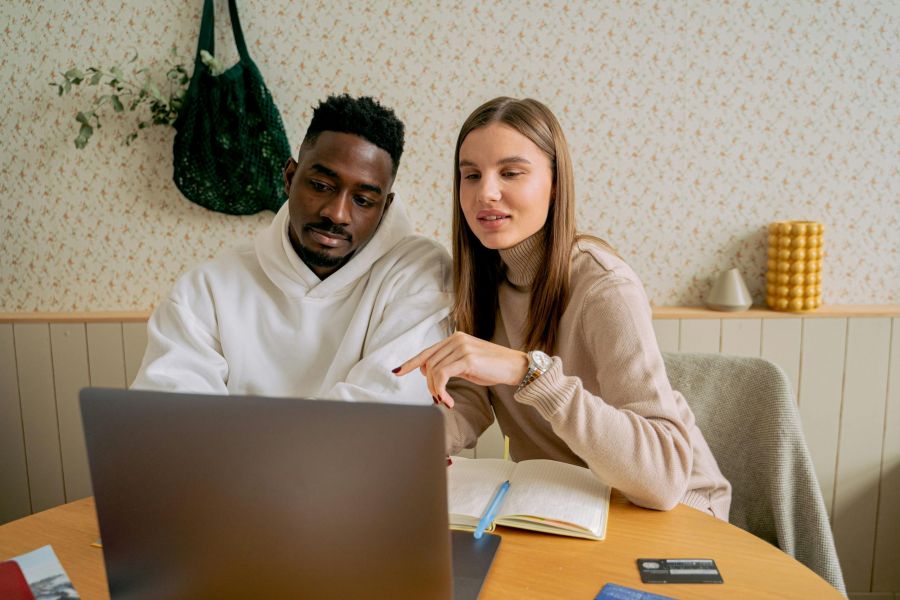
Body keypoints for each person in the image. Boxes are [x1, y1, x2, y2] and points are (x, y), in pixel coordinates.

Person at [395, 97, 731, 519]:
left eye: (511, 173)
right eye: (471, 175)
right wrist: (396, 447)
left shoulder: (604, 287)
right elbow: (469, 403)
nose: (486, 193)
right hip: (565, 505)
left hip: (674, 511)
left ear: (555, 182)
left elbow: (662, 479)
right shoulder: (481, 277)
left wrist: (530, 373)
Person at [132, 94, 450, 404]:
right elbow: (171, 414)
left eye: (363, 200)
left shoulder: (419, 273)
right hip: (236, 460)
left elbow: (387, 411)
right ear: (290, 177)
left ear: (385, 206)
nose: (337, 214)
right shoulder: (207, 290)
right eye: (322, 186)